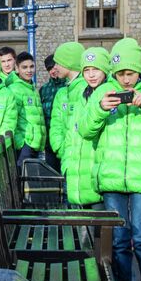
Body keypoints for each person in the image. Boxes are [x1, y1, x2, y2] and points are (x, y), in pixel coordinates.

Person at [79, 38, 141, 281]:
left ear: (138, 69)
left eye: (130, 73)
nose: (125, 81)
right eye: (120, 74)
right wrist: (100, 109)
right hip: (111, 177)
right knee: (120, 240)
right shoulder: (103, 92)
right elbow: (85, 130)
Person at [62, 47, 109, 208]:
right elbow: (71, 133)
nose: (91, 74)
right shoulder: (81, 95)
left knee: (101, 228)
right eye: (87, 70)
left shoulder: (109, 93)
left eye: (96, 69)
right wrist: (66, 164)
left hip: (96, 172)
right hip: (76, 172)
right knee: (80, 228)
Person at [47, 41, 85, 200]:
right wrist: (62, 149)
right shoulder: (62, 92)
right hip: (67, 159)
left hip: (82, 162)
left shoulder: (86, 89)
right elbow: (55, 125)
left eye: (58, 63)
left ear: (69, 63)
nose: (54, 67)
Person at [7, 52, 46, 166]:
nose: (29, 70)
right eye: (24, 67)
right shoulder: (14, 89)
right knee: (23, 180)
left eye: (31, 66)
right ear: (17, 69)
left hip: (36, 144)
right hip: (25, 145)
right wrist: (21, 142)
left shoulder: (32, 89)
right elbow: (12, 118)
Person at [39, 54, 67, 172]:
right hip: (49, 140)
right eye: (50, 69)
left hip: (65, 137)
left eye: (55, 67)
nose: (53, 71)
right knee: (52, 174)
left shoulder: (68, 86)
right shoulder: (43, 89)